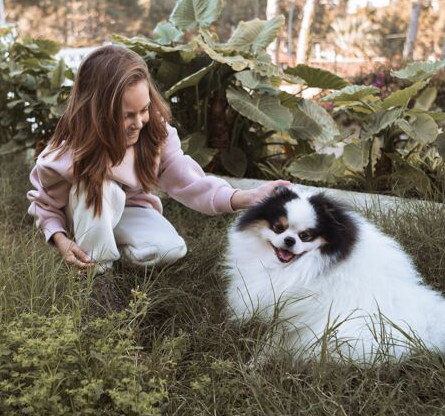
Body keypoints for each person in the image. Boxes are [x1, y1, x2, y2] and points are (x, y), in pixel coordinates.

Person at [27, 44, 288, 273]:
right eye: (127, 115)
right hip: (87, 207)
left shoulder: (156, 135)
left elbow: (189, 182)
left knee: (169, 249)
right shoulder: (70, 152)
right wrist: (61, 240)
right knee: (106, 190)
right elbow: (45, 205)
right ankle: (95, 270)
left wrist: (244, 197)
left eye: (144, 110)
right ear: (97, 113)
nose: (138, 122)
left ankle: (111, 248)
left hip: (129, 210)